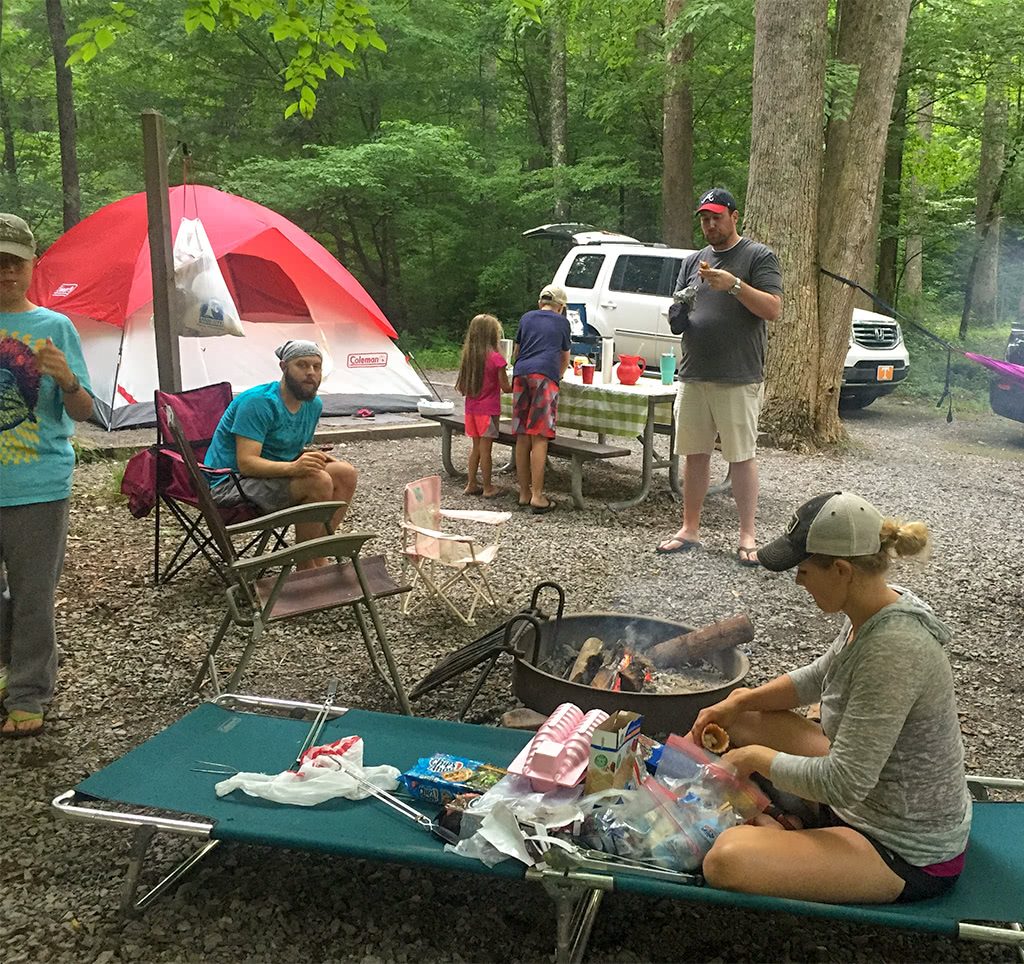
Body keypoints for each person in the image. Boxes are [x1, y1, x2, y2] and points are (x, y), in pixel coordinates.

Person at [689, 491, 972, 904]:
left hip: (901, 845)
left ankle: (784, 831)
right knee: (742, 718)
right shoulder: (875, 607)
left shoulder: (893, 649)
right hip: (866, 796)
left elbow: (844, 783)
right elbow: (820, 676)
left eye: (803, 570)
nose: (799, 582)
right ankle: (787, 828)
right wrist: (740, 700)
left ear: (841, 569)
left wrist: (752, 759)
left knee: (726, 860)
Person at [0, 213, 95, 738]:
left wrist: (69, 379)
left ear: (32, 264)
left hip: (37, 484)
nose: (6, 271)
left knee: (33, 596)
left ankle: (29, 693)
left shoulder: (54, 328)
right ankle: (9, 673)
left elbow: (82, 412)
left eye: (15, 261)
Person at [657, 187, 783, 566]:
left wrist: (734, 285)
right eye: (704, 218)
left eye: (716, 217)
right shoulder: (694, 260)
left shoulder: (758, 256)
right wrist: (676, 315)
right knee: (694, 454)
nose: (710, 224)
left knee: (741, 456)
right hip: (695, 372)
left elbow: (773, 309)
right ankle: (689, 528)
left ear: (734, 216)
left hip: (738, 374)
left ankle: (747, 536)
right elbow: (681, 302)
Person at [203, 340, 357, 567]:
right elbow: (246, 463)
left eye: (316, 366)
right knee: (318, 481)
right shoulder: (258, 403)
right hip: (230, 483)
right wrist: (296, 467)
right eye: (302, 365)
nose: (311, 373)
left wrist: (311, 456)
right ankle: (305, 568)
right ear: (283, 367)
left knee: (345, 473)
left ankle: (318, 555)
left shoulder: (313, 405)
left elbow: (288, 447)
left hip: (271, 473)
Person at [511, 285, 571, 513]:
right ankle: (538, 495)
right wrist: (560, 376)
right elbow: (564, 356)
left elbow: (517, 352)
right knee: (540, 435)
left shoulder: (526, 318)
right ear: (561, 307)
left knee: (523, 435)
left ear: (540, 303)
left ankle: (524, 493)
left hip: (521, 374)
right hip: (544, 376)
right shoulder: (562, 322)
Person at [455, 313, 512, 498]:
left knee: (476, 449)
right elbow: (506, 387)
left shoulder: (469, 358)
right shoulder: (496, 359)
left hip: (471, 410)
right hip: (488, 411)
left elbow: (462, 387)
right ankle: (488, 487)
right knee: (486, 451)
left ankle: (471, 483)